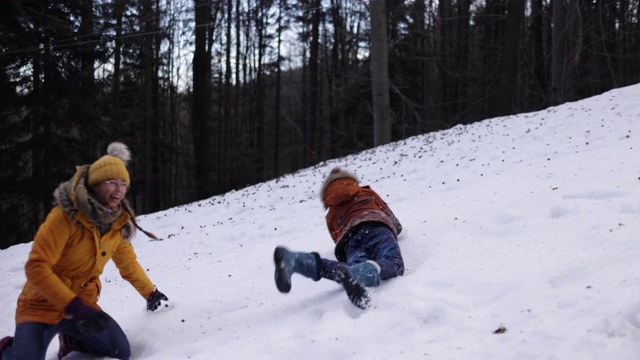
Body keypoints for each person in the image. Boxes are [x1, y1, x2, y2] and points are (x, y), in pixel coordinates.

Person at [0, 142, 168, 360]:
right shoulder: (64, 217)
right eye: (111, 182)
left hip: (82, 310)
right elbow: (36, 268)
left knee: (120, 351)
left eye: (123, 184)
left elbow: (128, 264)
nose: (119, 190)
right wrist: (76, 307)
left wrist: (151, 293)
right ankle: (9, 350)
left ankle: (73, 340)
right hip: (41, 305)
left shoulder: (117, 224)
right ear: (95, 185)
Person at [273, 167, 404, 309]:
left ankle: (297, 261)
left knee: (355, 265)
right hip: (376, 227)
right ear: (351, 181)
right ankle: (358, 273)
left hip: (349, 239)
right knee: (393, 262)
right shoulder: (366, 192)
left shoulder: (331, 212)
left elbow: (336, 237)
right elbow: (395, 222)